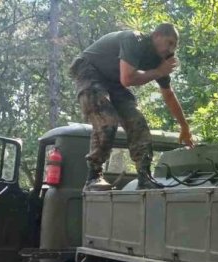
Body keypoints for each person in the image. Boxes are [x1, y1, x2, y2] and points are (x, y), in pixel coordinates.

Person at [69, 23, 194, 191]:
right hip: (89, 71)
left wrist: (184, 126)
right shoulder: (134, 39)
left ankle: (144, 177)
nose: (171, 49)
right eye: (169, 42)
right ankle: (93, 177)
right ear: (156, 35)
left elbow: (168, 94)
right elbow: (127, 79)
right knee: (107, 121)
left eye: (174, 46)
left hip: (113, 81)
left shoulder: (159, 61)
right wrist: (159, 72)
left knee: (137, 122)